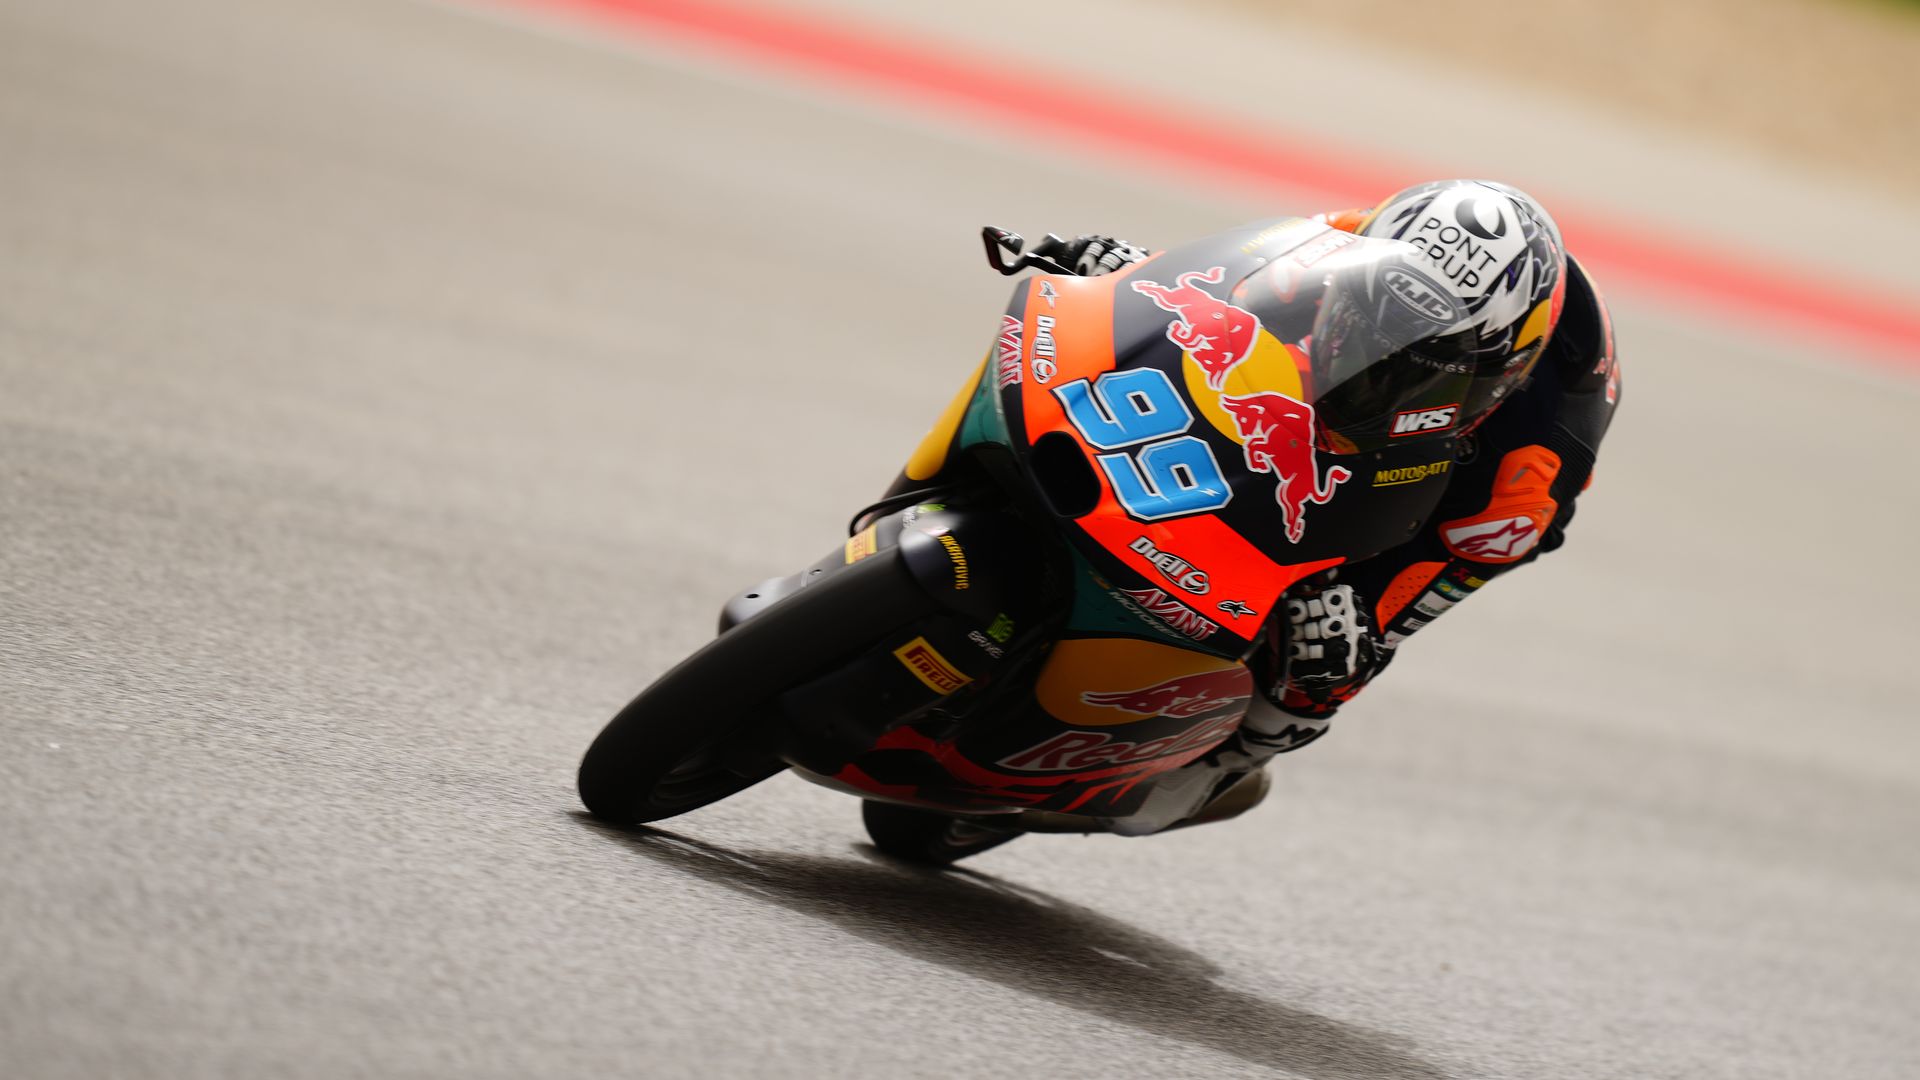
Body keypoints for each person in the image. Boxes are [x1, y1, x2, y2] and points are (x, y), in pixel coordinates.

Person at [1049, 179, 1622, 835]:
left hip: (1472, 486)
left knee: (1329, 646)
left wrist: (1359, 633)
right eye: (1377, 333)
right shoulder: (1362, 237)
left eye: (1422, 362)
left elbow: (1403, 596)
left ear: (1507, 369)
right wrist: (1136, 278)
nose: (1385, 369)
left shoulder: (1528, 469)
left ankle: (1234, 757)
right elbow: (1234, 280)